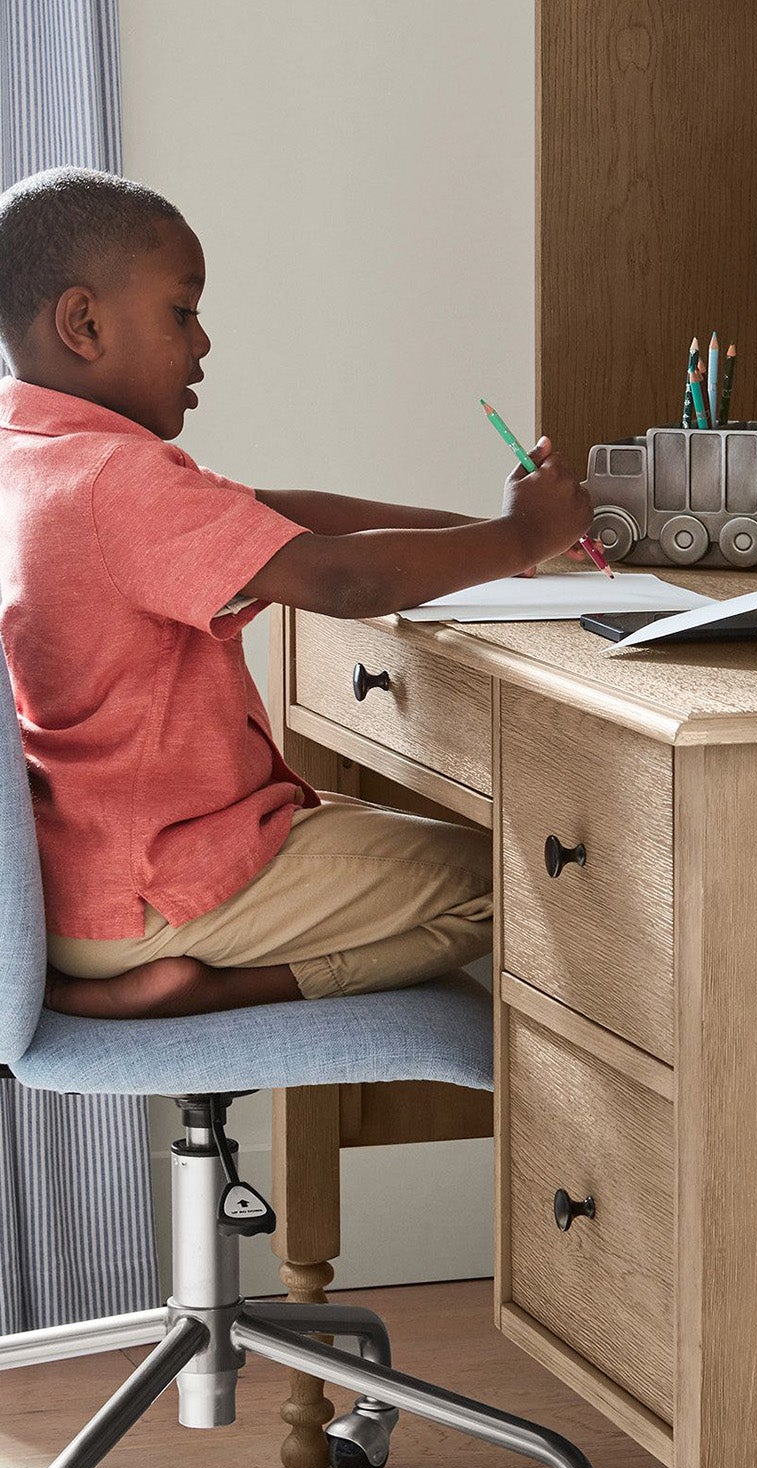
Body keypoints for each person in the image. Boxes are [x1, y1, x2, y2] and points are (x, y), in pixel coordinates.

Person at [0, 166, 593, 1019]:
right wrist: (519, 537)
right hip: (159, 891)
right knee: (520, 879)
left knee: (435, 851)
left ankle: (178, 971)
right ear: (85, 323)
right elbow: (340, 578)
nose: (203, 343)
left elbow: (286, 516)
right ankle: (190, 989)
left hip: (79, 880)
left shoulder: (37, 455)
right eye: (183, 311)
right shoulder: (113, 481)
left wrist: (496, 536)